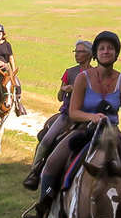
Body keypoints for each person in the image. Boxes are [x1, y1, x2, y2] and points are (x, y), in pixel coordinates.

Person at [20, 30, 121, 218]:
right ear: (96, 54)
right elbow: (73, 112)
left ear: (116, 54)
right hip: (83, 129)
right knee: (53, 161)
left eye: (110, 48)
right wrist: (92, 118)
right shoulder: (82, 78)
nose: (106, 51)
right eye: (102, 48)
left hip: (111, 132)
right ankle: (42, 208)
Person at [23, 39, 93, 189]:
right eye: (75, 51)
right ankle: (34, 173)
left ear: (88, 54)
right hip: (67, 115)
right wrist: (64, 89)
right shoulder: (70, 72)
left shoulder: (94, 74)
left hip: (88, 117)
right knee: (46, 141)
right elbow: (59, 98)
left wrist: (76, 89)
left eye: (79, 51)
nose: (76, 54)